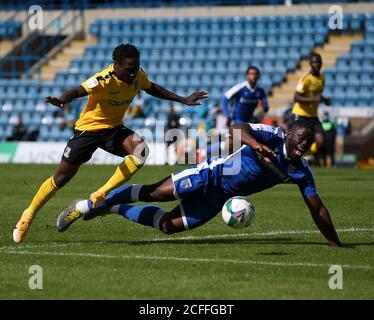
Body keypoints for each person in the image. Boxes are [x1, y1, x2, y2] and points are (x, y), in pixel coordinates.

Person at [13, 43, 208, 243]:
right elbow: (78, 91)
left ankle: (100, 194)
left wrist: (183, 99)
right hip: (88, 131)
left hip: (114, 130)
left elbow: (152, 88)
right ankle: (27, 215)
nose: (133, 73)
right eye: (129, 69)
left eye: (136, 67)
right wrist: (62, 100)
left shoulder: (137, 75)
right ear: (116, 65)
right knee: (61, 178)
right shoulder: (102, 79)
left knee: (140, 150)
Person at [57, 119, 343, 248]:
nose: (303, 146)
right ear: (290, 133)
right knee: (155, 192)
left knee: (167, 227)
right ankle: (86, 205)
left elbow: (316, 208)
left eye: (308, 143)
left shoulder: (300, 171)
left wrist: (335, 243)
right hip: (209, 174)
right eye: (301, 139)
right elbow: (238, 129)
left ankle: (113, 208)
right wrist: (256, 145)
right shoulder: (272, 136)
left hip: (216, 199)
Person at [292, 52, 331, 165]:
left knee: (320, 141)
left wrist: (325, 100)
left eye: (318, 62)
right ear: (310, 64)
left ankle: (305, 155)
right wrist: (314, 99)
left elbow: (317, 95)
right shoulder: (305, 79)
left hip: (313, 115)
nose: (316, 64)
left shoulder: (322, 79)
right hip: (300, 113)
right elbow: (296, 97)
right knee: (297, 140)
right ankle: (294, 159)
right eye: (314, 62)